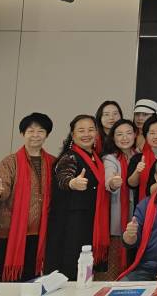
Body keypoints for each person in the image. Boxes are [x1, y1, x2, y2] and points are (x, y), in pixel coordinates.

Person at [0, 113, 55, 282]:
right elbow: (1, 186)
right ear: (22, 133)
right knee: (10, 280)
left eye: (40, 131)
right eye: (30, 131)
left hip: (42, 230)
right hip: (12, 230)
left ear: (47, 135)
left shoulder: (53, 162)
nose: (35, 135)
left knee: (34, 278)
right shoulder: (10, 162)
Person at [44, 115, 110, 280]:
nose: (86, 134)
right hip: (70, 225)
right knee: (70, 269)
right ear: (73, 135)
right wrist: (72, 183)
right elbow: (63, 177)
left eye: (90, 130)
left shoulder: (96, 158)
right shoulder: (70, 157)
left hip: (88, 222)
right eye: (81, 130)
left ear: (96, 133)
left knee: (84, 272)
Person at [103, 119, 138, 279]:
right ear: (113, 137)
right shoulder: (111, 159)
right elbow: (109, 178)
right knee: (114, 264)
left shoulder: (139, 156)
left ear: (135, 135)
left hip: (137, 216)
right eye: (119, 134)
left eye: (128, 133)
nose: (124, 138)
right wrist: (113, 182)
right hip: (117, 220)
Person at [128, 115, 157, 201]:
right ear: (146, 135)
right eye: (152, 133)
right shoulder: (138, 158)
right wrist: (137, 171)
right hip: (143, 205)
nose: (156, 136)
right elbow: (132, 184)